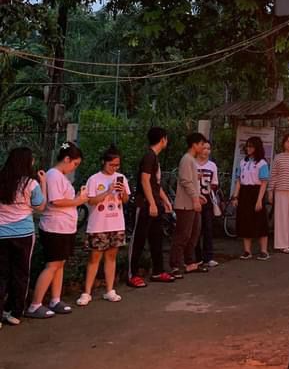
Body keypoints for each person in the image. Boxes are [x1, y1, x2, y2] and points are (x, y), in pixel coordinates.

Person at [26, 142, 85, 318]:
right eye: (74, 164)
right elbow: (56, 201)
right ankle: (35, 304)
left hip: (64, 227)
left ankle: (55, 299)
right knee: (52, 265)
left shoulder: (60, 176)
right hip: (54, 228)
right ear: (67, 159)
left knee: (60, 264)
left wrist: (77, 199)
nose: (74, 168)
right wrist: (78, 201)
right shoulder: (53, 175)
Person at [77, 146, 131, 306]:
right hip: (98, 224)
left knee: (111, 256)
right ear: (103, 162)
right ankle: (87, 292)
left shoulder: (121, 177)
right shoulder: (94, 179)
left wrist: (122, 193)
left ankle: (110, 289)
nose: (115, 168)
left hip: (116, 222)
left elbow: (126, 200)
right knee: (94, 257)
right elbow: (91, 201)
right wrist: (108, 191)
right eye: (112, 165)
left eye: (117, 165)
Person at [0, 148, 45, 328]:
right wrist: (44, 183)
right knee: (21, 274)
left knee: (1, 274)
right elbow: (40, 206)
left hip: (1, 234)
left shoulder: (1, 180)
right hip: (24, 235)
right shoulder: (31, 184)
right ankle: (15, 312)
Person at [127, 127, 175, 287]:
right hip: (145, 204)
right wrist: (152, 203)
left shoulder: (154, 157)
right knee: (139, 240)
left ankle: (158, 271)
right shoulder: (149, 156)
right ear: (163, 139)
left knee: (156, 239)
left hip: (155, 203)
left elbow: (155, 183)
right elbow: (145, 180)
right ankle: (131, 274)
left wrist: (165, 200)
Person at [169, 133, 207, 277]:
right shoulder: (186, 160)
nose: (203, 147)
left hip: (192, 203)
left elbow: (190, 182)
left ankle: (190, 262)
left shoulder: (191, 160)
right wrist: (195, 199)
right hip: (185, 205)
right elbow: (186, 181)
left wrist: (198, 196)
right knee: (183, 235)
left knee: (194, 233)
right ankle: (175, 265)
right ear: (195, 144)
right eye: (202, 144)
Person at [230, 136, 270, 259]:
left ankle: (264, 251)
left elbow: (264, 183)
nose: (248, 148)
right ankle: (247, 251)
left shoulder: (262, 163)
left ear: (257, 147)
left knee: (260, 221)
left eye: (251, 146)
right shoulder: (243, 162)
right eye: (247, 146)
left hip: (256, 192)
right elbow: (238, 181)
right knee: (245, 220)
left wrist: (259, 200)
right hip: (244, 192)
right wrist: (235, 196)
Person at [195, 139, 219, 268]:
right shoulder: (192, 163)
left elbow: (215, 182)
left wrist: (211, 187)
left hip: (208, 199)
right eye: (204, 148)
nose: (206, 151)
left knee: (208, 228)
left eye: (208, 149)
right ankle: (196, 257)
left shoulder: (212, 165)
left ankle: (208, 257)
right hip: (194, 200)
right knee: (196, 230)